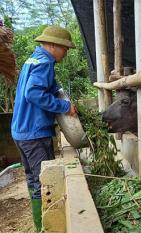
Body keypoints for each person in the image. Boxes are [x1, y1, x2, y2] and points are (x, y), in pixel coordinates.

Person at [11, 25, 77, 233]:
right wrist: (65, 106)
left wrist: (58, 90)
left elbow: (46, 87)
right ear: (52, 45)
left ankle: (39, 225)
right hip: (35, 132)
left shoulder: (33, 60)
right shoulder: (45, 63)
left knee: (32, 178)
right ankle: (49, 227)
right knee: (46, 183)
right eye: (65, 48)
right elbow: (33, 93)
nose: (66, 53)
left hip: (21, 131)